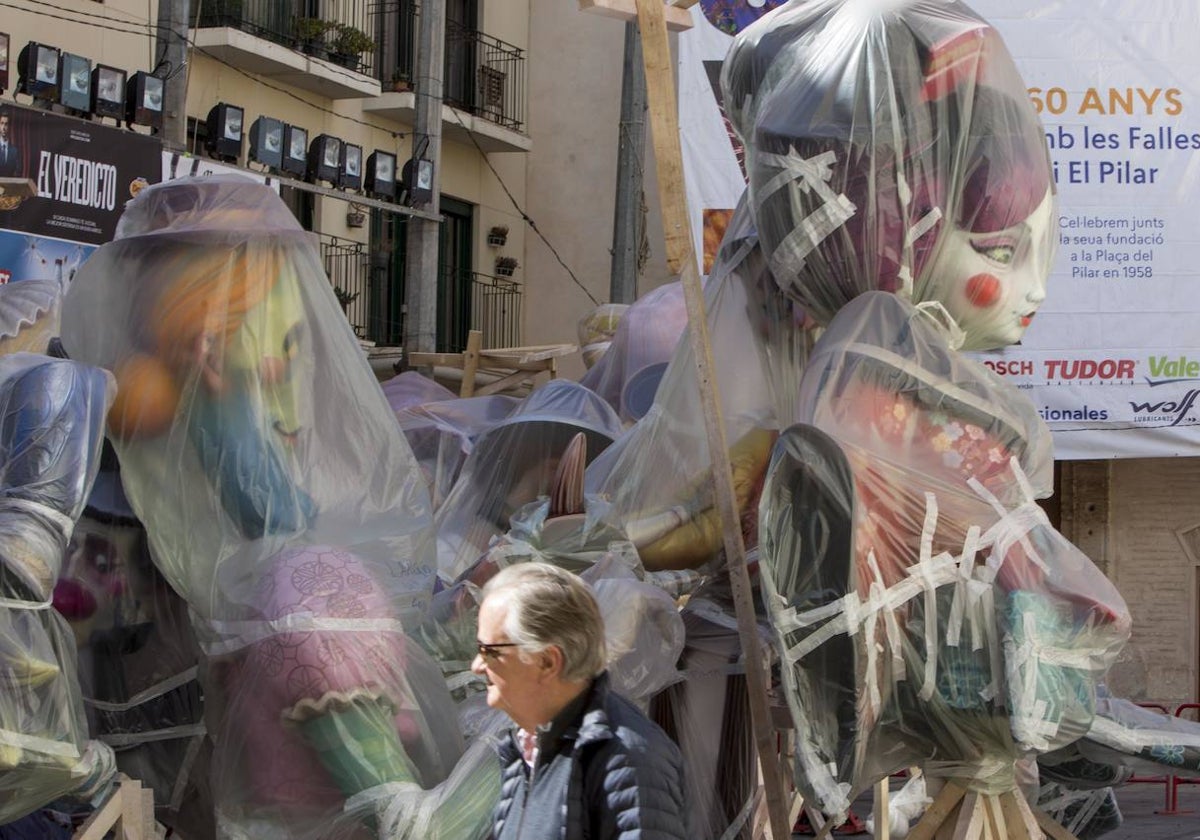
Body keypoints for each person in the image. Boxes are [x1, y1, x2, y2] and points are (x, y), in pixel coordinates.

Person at [473, 563, 686, 840]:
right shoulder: (524, 751)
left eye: (489, 651)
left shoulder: (626, 760)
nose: (477, 665)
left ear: (547, 661)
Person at [0, 110, 21, 177]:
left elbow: (18, 172)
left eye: (6, 124)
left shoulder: (15, 151)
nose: (3, 127)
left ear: (9, 127)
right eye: (2, 123)